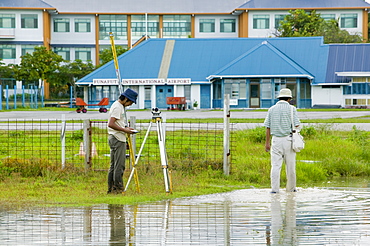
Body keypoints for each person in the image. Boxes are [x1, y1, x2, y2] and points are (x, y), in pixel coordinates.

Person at [264, 88, 300, 193]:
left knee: (275, 166)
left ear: (279, 98)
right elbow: (297, 125)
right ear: (289, 98)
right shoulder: (292, 109)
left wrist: (267, 143)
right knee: (290, 166)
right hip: (289, 140)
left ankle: (274, 190)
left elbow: (268, 127)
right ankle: (291, 189)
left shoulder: (271, 109)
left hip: (275, 140)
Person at [107, 88, 138, 194]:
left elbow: (118, 123)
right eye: (130, 102)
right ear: (126, 99)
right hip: (117, 138)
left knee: (114, 165)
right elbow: (111, 124)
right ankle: (118, 189)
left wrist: (126, 128)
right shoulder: (117, 107)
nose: (130, 104)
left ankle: (111, 189)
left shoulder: (118, 106)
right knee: (119, 166)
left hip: (116, 137)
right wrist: (125, 130)